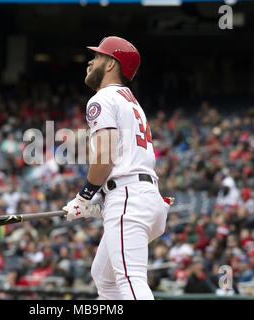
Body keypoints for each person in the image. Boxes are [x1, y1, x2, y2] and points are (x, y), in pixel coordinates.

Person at [62, 36, 171, 300]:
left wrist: (84, 196)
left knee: (131, 282)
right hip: (142, 197)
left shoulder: (102, 98)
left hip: (129, 198)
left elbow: (106, 154)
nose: (91, 60)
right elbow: (124, 158)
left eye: (98, 56)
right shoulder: (131, 101)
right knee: (104, 278)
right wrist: (100, 197)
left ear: (111, 64)